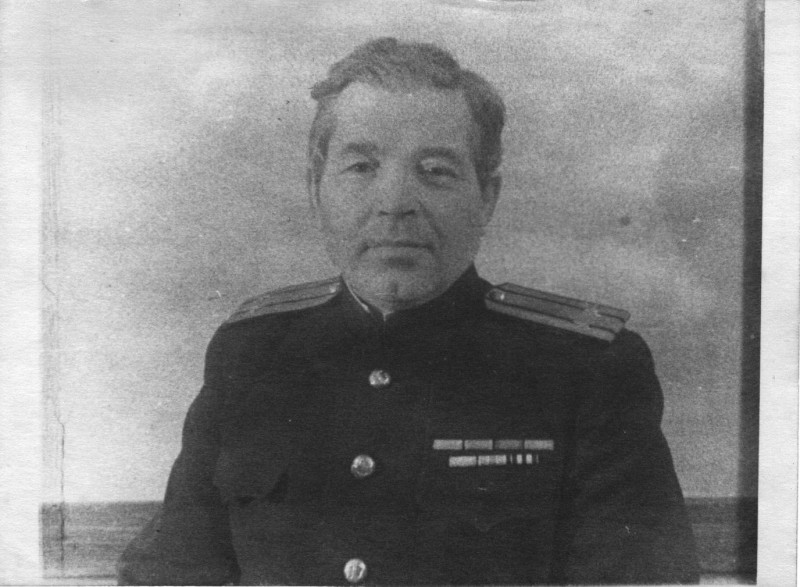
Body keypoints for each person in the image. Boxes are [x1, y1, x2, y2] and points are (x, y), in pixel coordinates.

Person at [118, 37, 699, 585]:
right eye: (361, 167)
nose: (395, 203)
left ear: (487, 197)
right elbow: (172, 572)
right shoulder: (252, 353)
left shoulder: (587, 369)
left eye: (436, 171)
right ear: (316, 188)